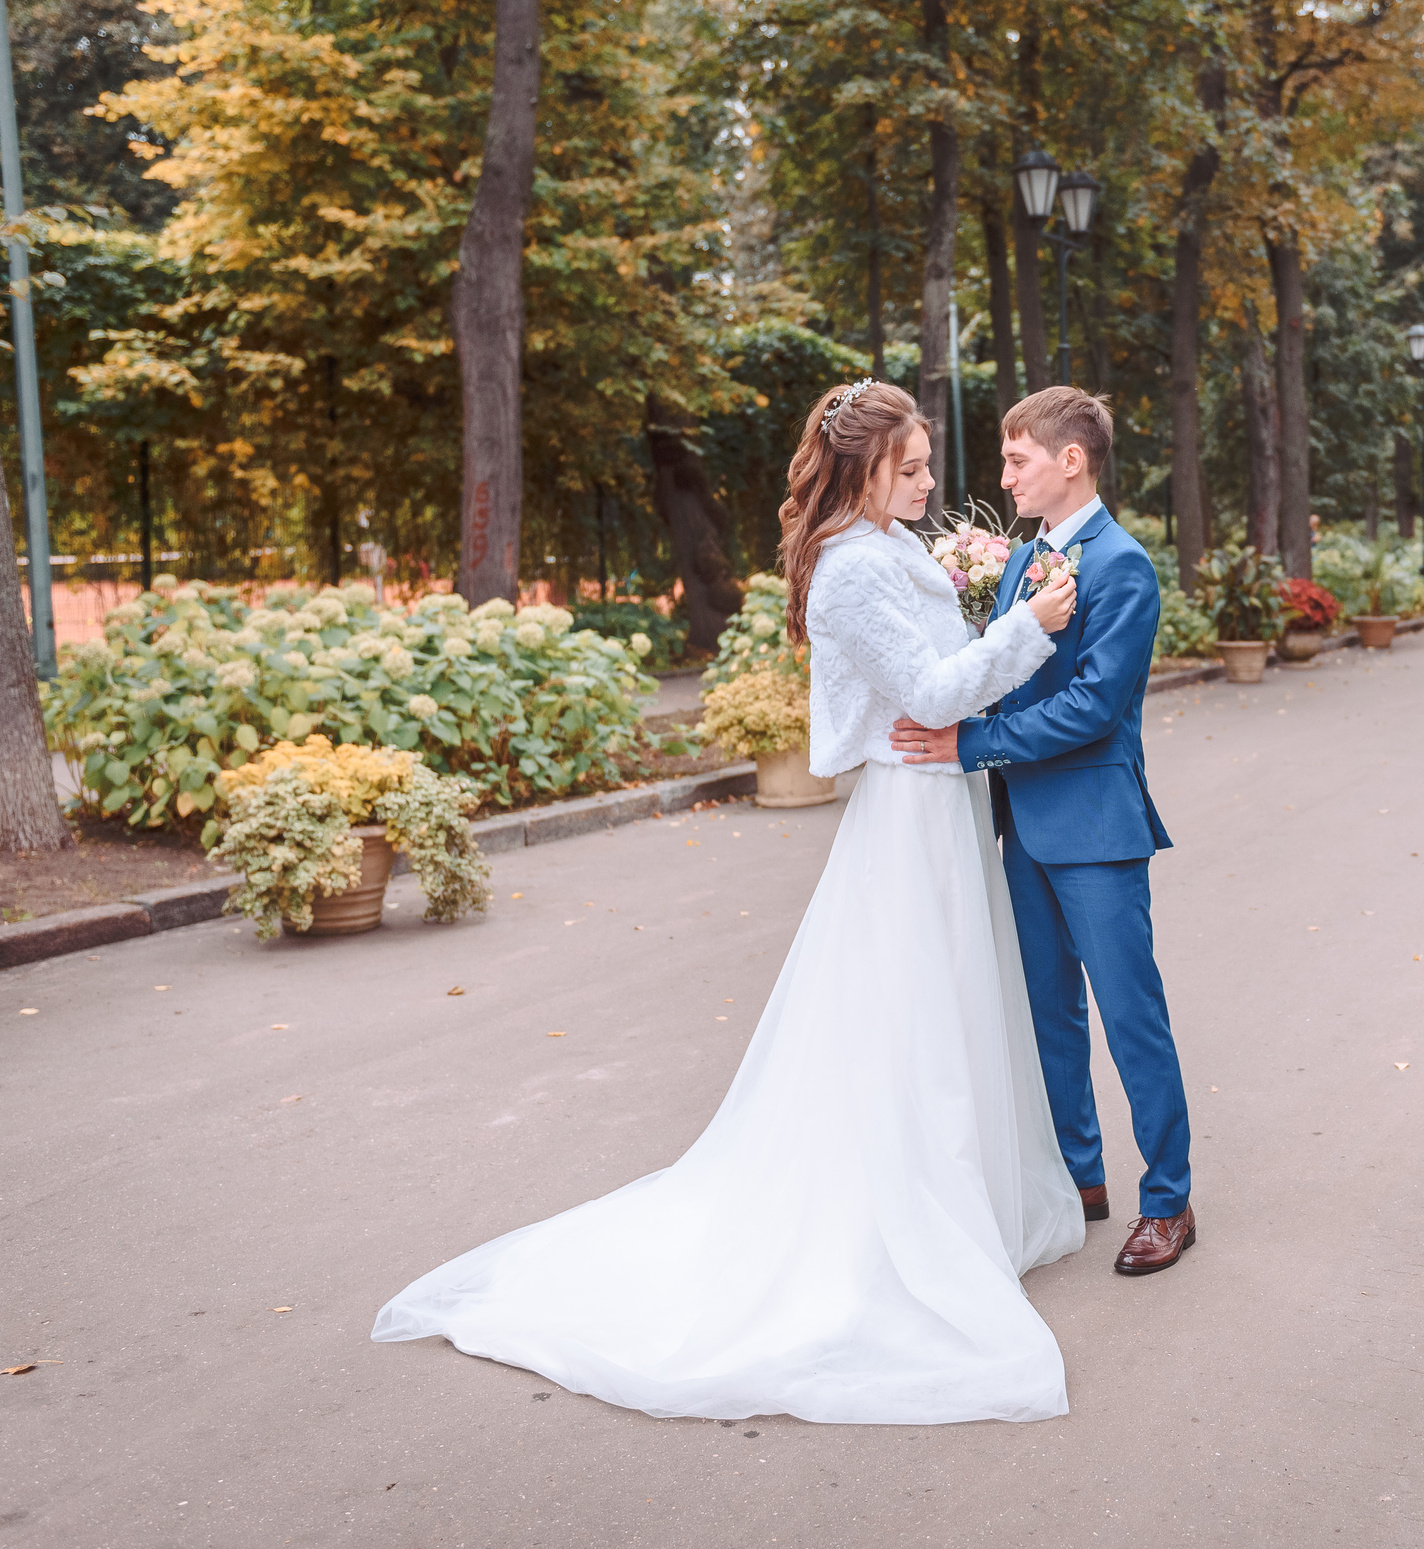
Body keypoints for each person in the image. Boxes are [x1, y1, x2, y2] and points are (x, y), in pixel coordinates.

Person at [372, 379, 1087, 1425]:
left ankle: (967, 1204)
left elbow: (937, 669)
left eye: (929, 464)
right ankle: (901, 1224)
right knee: (906, 1019)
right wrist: (1025, 625)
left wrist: (988, 621)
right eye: (914, 467)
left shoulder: (890, 546)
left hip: (944, 804)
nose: (932, 484)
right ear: (862, 470)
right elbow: (931, 695)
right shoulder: (848, 568)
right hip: (907, 810)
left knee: (953, 1009)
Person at [890, 388, 1198, 1278]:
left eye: (1017, 459)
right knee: (1046, 1014)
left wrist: (970, 742)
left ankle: (1169, 1200)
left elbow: (1095, 708)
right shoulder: (1026, 557)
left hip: (1096, 823)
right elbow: (1009, 670)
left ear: (1072, 460)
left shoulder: (1122, 565)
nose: (1002, 476)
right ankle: (1079, 1174)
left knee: (1131, 1016)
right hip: (1022, 823)